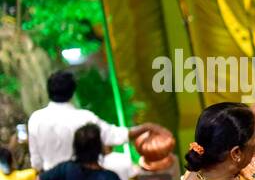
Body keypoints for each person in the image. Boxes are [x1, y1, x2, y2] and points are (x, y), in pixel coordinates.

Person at [25, 70, 164, 173]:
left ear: (48, 91)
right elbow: (115, 135)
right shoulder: (84, 118)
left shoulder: (35, 119)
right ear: (73, 92)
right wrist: (146, 127)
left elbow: (36, 163)